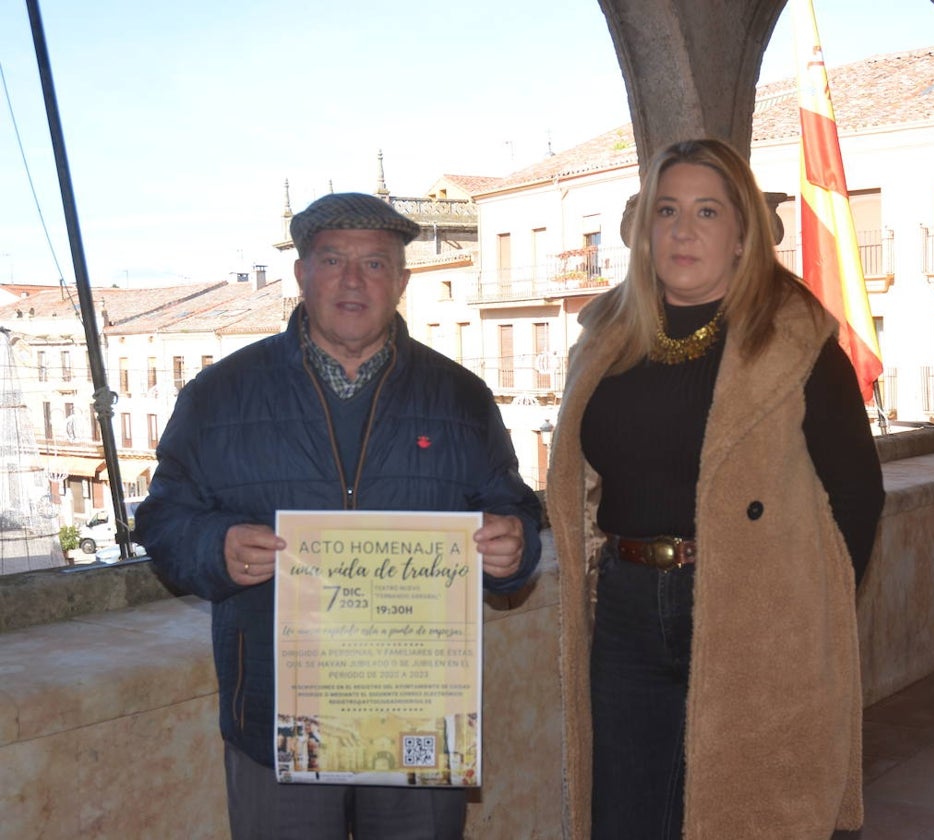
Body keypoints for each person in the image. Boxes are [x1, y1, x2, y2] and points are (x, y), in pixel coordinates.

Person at [134, 192, 542, 840]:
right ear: (300, 274)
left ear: (402, 282)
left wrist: (513, 551)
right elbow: (162, 516)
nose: (353, 281)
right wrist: (214, 547)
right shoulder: (218, 395)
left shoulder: (462, 398)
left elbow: (512, 505)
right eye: (332, 260)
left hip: (416, 718)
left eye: (375, 264)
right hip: (276, 721)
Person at [547, 138, 885, 840]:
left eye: (707, 211)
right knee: (627, 815)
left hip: (750, 608)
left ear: (741, 234)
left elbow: (856, 491)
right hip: (629, 610)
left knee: (747, 813)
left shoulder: (796, 336)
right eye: (666, 210)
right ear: (644, 231)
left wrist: (801, 605)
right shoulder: (606, 336)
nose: (682, 229)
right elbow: (579, 481)